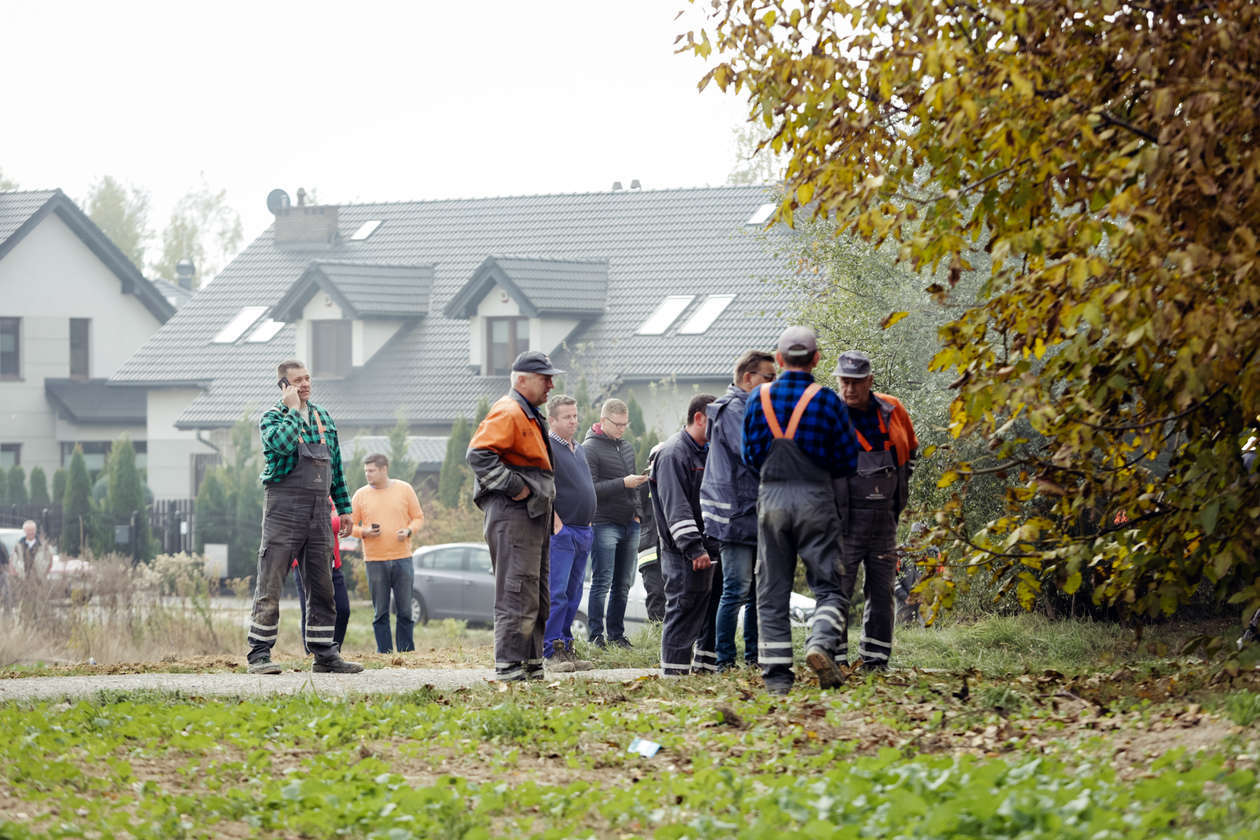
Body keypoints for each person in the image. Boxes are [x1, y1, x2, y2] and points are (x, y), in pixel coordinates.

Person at [742, 326, 859, 695]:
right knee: (829, 587)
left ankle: (777, 680)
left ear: (778, 360)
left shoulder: (757, 398)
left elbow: (749, 457)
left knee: (771, 591)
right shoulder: (827, 401)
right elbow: (847, 460)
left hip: (771, 502)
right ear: (816, 359)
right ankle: (820, 644)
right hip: (815, 501)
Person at [246, 360, 363, 675]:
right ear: (284, 386)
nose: (306, 384)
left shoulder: (323, 417)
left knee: (322, 583)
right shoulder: (272, 417)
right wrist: (294, 410)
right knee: (271, 580)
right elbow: (283, 446)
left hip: (319, 512)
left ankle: (325, 654)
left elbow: (335, 467)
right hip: (283, 510)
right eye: (297, 381)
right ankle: (259, 654)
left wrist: (345, 507)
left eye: (308, 378)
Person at [467, 350, 561, 681]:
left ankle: (532, 666)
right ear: (521, 379)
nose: (551, 384)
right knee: (516, 590)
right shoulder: (508, 411)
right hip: (513, 513)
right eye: (544, 378)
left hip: (532, 515)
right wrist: (515, 488)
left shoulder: (529, 413)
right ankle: (509, 668)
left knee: (535, 592)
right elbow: (478, 455)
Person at [834, 350, 918, 669]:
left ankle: (876, 661)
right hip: (843, 523)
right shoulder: (829, 414)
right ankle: (835, 661)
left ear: (870, 381)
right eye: (844, 382)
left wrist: (896, 495)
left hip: (885, 522)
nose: (850, 389)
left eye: (857, 382)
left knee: (882, 593)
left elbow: (910, 455)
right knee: (838, 592)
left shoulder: (892, 409)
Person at [701, 349, 777, 670]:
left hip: (754, 512)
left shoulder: (753, 407)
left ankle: (754, 657)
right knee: (736, 589)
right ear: (748, 378)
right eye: (768, 378)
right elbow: (752, 454)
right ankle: (725, 662)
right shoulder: (734, 410)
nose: (774, 385)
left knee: (758, 592)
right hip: (736, 516)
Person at [652, 394, 719, 676]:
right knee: (682, 608)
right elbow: (676, 508)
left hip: (705, 550)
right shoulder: (673, 454)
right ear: (699, 418)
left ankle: (703, 669)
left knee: (704, 611)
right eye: (716, 421)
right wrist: (694, 548)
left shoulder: (706, 451)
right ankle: (673, 677)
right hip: (683, 553)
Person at [583, 398, 649, 648]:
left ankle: (617, 635)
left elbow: (634, 490)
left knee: (623, 584)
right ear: (603, 421)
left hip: (629, 522)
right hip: (604, 523)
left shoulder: (628, 447)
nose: (622, 428)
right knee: (602, 581)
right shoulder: (590, 448)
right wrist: (624, 482)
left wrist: (638, 514)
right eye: (618, 424)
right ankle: (595, 636)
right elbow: (591, 488)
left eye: (625, 424)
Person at [350, 453, 425, 653]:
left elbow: (418, 517)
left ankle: (406, 653)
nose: (367, 474)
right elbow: (348, 525)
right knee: (380, 612)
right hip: (374, 560)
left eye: (371, 470)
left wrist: (408, 531)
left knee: (405, 611)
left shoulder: (404, 489)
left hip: (403, 558)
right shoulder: (360, 495)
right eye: (366, 470)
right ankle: (385, 654)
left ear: (384, 469)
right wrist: (363, 532)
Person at [543, 394, 596, 672]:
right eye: (567, 417)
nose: (574, 421)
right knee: (558, 592)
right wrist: (555, 522)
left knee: (575, 594)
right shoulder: (549, 447)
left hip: (584, 530)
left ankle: (566, 646)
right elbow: (542, 487)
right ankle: (551, 650)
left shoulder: (579, 448)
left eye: (575, 415)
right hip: (562, 532)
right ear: (552, 420)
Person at [294, 497, 352, 652]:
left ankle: (333, 652)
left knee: (343, 610)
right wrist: (331, 521)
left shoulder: (328, 498)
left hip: (333, 565)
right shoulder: (298, 496)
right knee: (310, 611)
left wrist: (330, 521)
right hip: (305, 565)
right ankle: (311, 654)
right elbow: (307, 527)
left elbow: (335, 522)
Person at [636, 484, 666, 622]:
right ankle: (657, 634)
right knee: (656, 593)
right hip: (650, 548)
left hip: (671, 548)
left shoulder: (675, 479)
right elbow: (634, 508)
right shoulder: (644, 485)